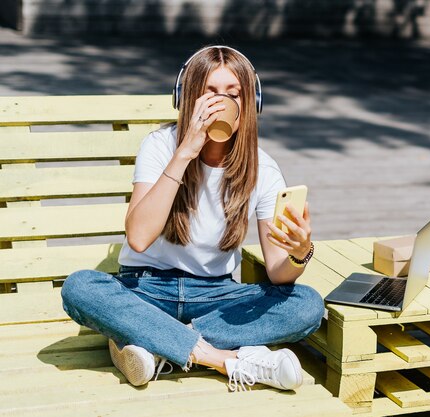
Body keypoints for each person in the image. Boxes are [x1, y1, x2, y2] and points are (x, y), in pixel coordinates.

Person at [61, 45, 324, 392]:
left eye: (234, 94)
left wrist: (299, 252)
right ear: (187, 98)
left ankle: (154, 344)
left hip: (216, 296)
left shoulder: (264, 169)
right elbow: (138, 237)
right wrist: (186, 151)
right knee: (79, 287)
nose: (222, 102)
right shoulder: (161, 146)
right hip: (147, 287)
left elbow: (278, 271)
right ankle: (223, 360)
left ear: (251, 104)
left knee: (307, 305)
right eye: (211, 92)